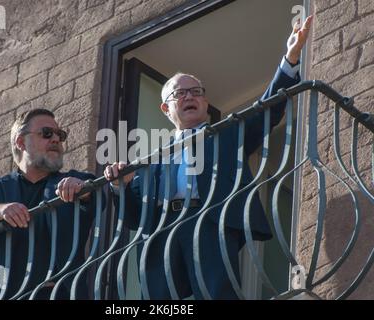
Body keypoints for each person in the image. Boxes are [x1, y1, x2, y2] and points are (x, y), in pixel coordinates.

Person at [104, 16, 313, 299]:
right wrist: (121, 186)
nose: (190, 96)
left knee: (216, 294)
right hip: (163, 232)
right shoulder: (152, 159)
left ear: (204, 102)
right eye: (181, 93)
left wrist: (290, 58)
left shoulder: (226, 133)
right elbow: (134, 217)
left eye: (197, 92)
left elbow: (267, 110)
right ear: (166, 108)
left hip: (209, 220)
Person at [0, 108, 98, 300]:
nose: (56, 139)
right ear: (21, 142)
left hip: (60, 294)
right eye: (47, 133)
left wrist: (82, 190)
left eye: (60, 135)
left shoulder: (77, 180)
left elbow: (98, 198)